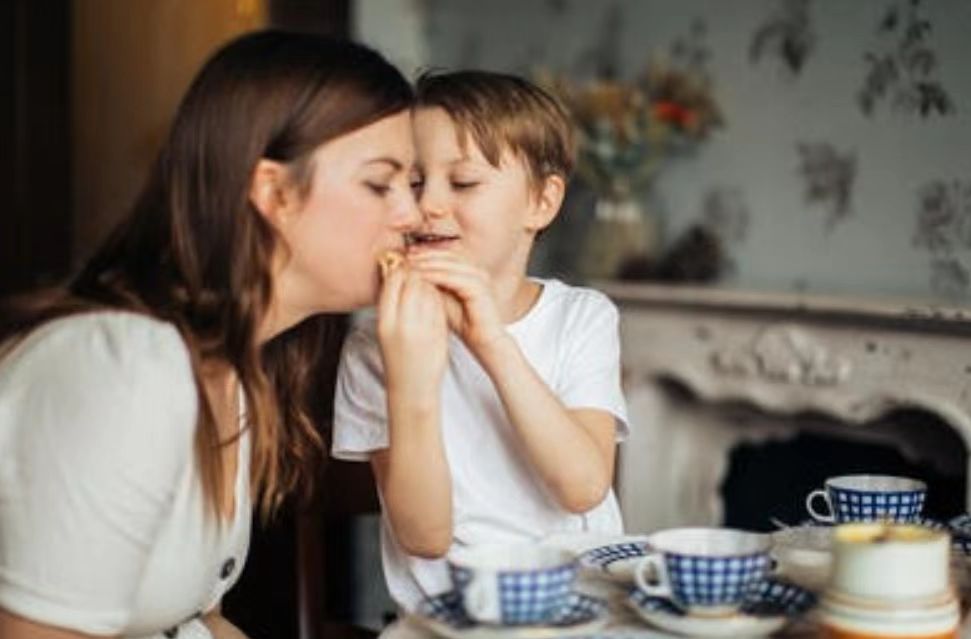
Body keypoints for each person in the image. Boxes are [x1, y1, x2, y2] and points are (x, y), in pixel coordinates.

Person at [0, 30, 421, 639]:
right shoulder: (128, 367)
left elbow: (193, 620)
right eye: (380, 184)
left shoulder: (235, 372)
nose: (411, 215)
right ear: (272, 191)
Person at [331, 70, 630, 610]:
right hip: (445, 620)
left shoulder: (582, 318)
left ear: (541, 202)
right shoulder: (376, 346)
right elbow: (423, 537)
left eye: (463, 182)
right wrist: (408, 377)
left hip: (579, 610)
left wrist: (490, 340)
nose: (428, 206)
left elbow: (583, 486)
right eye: (414, 183)